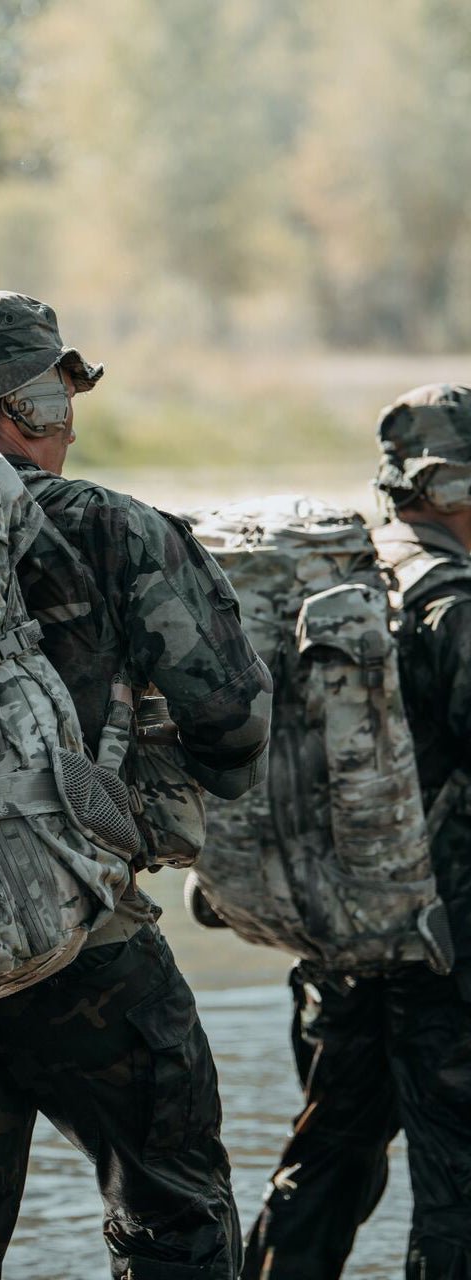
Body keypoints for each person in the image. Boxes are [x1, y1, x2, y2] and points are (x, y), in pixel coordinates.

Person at [0, 290, 273, 1280]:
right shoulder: (110, 527)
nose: (69, 427)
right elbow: (234, 720)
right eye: (63, 403)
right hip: (88, 943)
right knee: (174, 1222)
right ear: (33, 403)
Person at [242, 383, 471, 1280]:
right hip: (447, 945)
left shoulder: (346, 577)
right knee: (459, 1189)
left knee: (329, 1158)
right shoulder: (452, 602)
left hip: (347, 932)